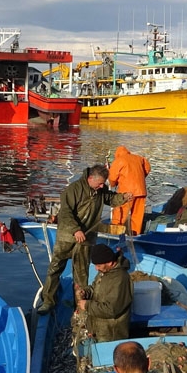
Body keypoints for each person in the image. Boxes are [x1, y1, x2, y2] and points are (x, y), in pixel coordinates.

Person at [38, 165, 132, 315]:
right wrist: (76, 229)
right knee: (55, 268)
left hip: (86, 240)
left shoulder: (100, 190)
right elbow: (66, 213)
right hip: (67, 237)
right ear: (90, 178)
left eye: (103, 183)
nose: (102, 186)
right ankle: (48, 302)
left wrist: (123, 198)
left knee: (81, 274)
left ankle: (79, 306)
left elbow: (111, 198)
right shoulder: (73, 190)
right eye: (100, 183)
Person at [77, 244, 132, 343]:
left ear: (110, 263)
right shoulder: (104, 271)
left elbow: (112, 309)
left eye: (98, 266)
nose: (96, 269)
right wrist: (86, 292)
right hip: (98, 328)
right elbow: (95, 287)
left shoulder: (120, 279)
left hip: (111, 333)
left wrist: (87, 305)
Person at [108, 146, 151, 236]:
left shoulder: (119, 160)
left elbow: (112, 177)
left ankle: (116, 233)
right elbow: (147, 167)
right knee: (137, 216)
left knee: (120, 214)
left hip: (126, 193)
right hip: (141, 191)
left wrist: (113, 184)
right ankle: (134, 234)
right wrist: (141, 178)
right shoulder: (139, 158)